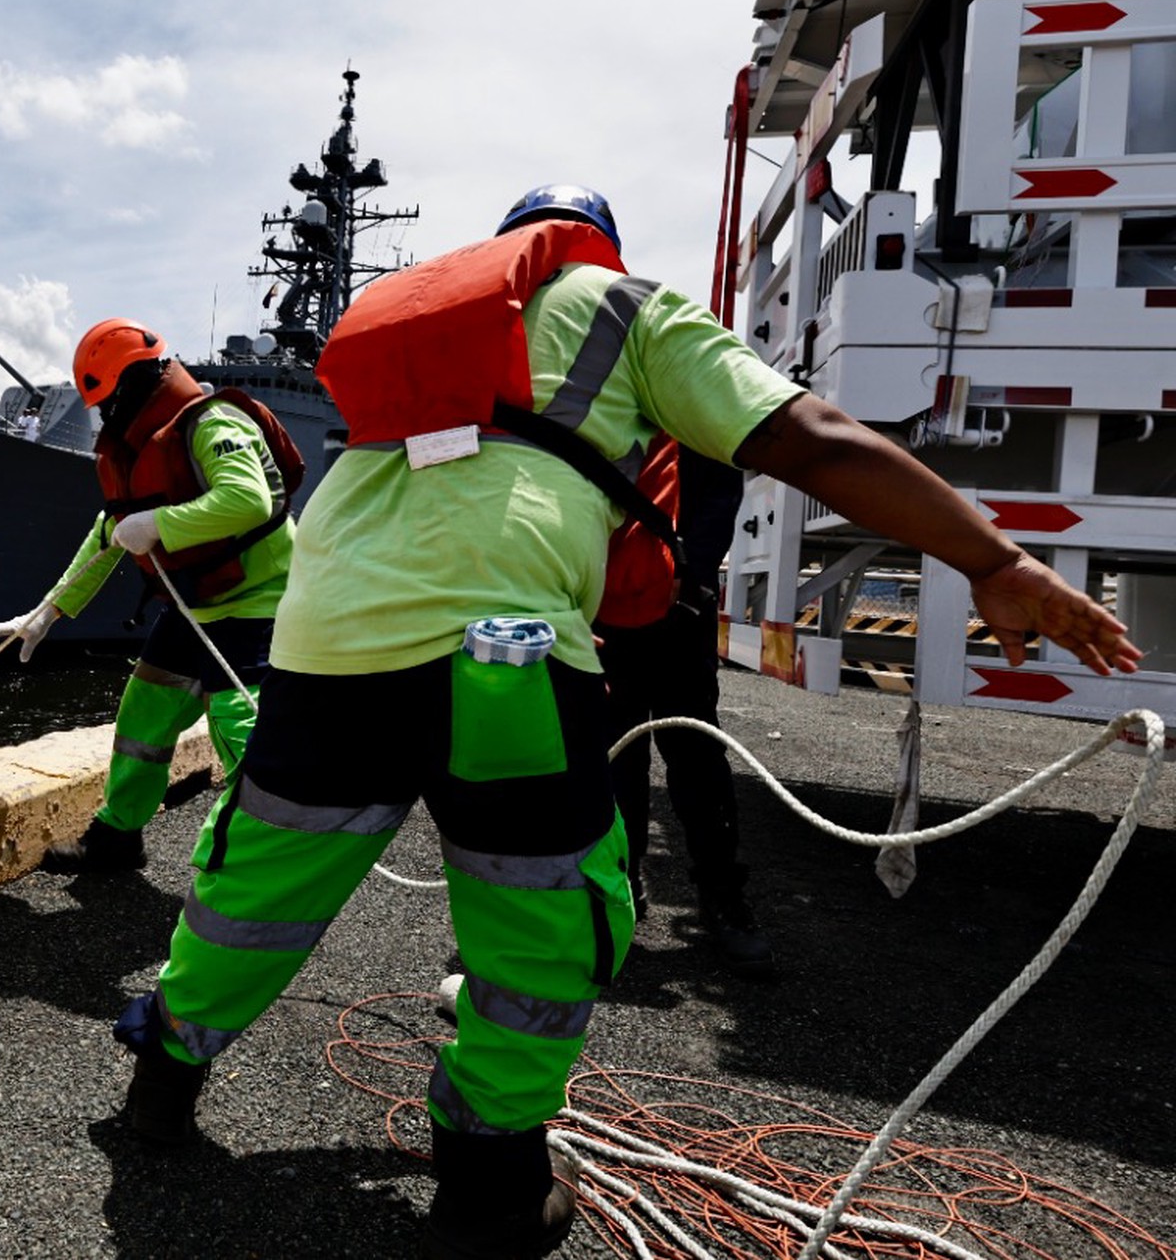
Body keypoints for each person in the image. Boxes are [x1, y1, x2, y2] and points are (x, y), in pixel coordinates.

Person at [104, 184, 1140, 1259]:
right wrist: (994, 557)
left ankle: (162, 1080)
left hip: (324, 635)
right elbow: (813, 439)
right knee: (537, 910)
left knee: (261, 878)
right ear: (594, 245)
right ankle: (492, 1180)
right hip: (503, 649)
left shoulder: (417, 315)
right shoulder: (628, 307)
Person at [0, 318, 301, 873]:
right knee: (143, 716)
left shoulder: (212, 422)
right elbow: (110, 533)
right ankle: (118, 838)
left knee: (241, 729)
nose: (104, 416)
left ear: (132, 384)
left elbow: (248, 500)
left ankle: (267, 855)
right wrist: (45, 613)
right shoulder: (141, 443)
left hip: (256, 600)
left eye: (108, 401)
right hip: (192, 603)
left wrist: (159, 524)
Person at [595, 448, 772, 975]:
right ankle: (619, 889)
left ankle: (722, 895)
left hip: (682, 606)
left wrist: (690, 571)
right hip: (603, 605)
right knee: (614, 761)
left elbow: (721, 490)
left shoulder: (688, 406)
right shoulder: (598, 400)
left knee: (697, 759)